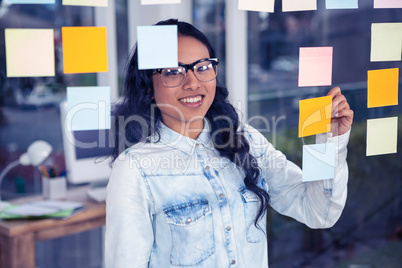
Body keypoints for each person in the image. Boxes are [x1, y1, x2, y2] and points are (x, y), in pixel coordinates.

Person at [105, 18, 353, 268]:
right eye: (173, 72)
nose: (192, 82)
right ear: (148, 86)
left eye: (202, 67)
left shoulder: (244, 139)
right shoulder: (134, 168)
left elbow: (318, 211)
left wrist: (329, 142)